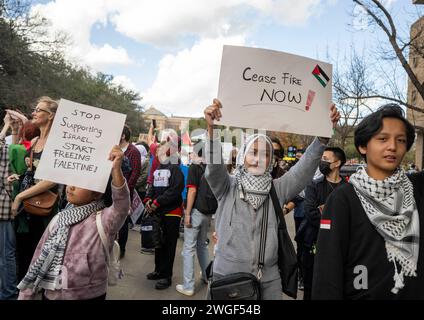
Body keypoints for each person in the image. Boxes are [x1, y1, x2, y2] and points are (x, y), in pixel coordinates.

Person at [203, 98, 340, 300]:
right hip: (228, 278)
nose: (258, 159)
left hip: (267, 281)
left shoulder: (277, 188)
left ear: (271, 161)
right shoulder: (227, 186)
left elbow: (302, 171)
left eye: (266, 154)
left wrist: (322, 138)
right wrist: (212, 130)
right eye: (253, 153)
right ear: (242, 156)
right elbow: (214, 169)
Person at [312, 104, 424, 299]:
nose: (393, 146)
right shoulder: (343, 199)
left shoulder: (417, 190)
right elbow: (327, 271)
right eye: (382, 139)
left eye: (401, 140)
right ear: (362, 146)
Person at [17, 145, 130, 300]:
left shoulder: (104, 220)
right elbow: (38, 257)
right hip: (53, 293)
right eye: (71, 180)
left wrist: (116, 170)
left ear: (97, 193)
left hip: (89, 295)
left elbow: (122, 206)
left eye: (80, 183)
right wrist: (25, 295)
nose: (71, 186)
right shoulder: (58, 219)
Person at [12, 96, 59, 282]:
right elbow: (31, 173)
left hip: (44, 207)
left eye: (38, 110)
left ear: (51, 116)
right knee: (22, 249)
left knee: (38, 250)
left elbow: (51, 181)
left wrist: (18, 197)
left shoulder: (57, 144)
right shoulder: (34, 142)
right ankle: (22, 287)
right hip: (28, 206)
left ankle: (34, 287)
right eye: (35, 108)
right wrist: (20, 176)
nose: (34, 112)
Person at [300, 146, 347, 300]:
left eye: (326, 159)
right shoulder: (314, 185)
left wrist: (324, 211)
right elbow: (310, 212)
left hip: (338, 247)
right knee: (311, 285)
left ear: (337, 163)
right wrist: (332, 221)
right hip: (312, 243)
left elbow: (348, 217)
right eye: (321, 159)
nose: (322, 162)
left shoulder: (348, 189)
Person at [176, 141, 217, 296]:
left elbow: (192, 191)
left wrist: (187, 214)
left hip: (196, 212)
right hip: (208, 213)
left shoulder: (195, 166)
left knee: (188, 249)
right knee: (202, 245)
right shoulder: (210, 167)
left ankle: (188, 286)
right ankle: (208, 276)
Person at [144, 137, 185, 290]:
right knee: (158, 242)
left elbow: (175, 190)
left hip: (172, 213)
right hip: (158, 211)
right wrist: (148, 199)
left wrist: (157, 202)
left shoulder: (177, 167)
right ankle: (158, 270)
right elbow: (153, 185)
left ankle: (166, 276)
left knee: (169, 245)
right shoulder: (160, 165)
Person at [0, 114, 18, 300]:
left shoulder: (5, 146)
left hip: (3, 206)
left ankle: (9, 293)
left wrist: (8, 127)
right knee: (6, 253)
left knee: (6, 255)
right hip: (4, 204)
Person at [118, 125, 141, 258]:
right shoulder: (114, 148)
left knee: (122, 221)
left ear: (123, 135)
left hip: (125, 192)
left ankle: (121, 248)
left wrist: (126, 189)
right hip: (110, 190)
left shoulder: (133, 151)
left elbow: (135, 172)